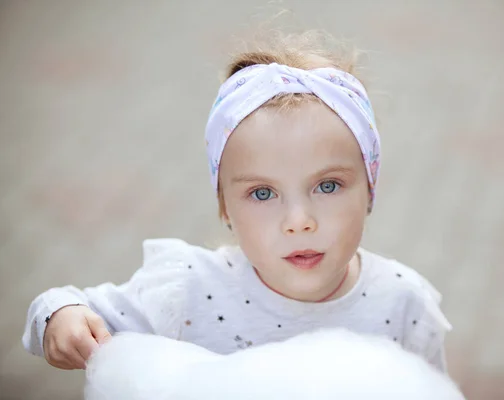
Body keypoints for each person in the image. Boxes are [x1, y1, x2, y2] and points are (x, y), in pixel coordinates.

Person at [22, 30, 452, 373]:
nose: (299, 221)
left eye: (328, 186)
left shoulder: (402, 305)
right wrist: (61, 317)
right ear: (225, 207)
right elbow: (67, 306)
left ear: (370, 188)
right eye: (262, 193)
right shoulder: (186, 292)